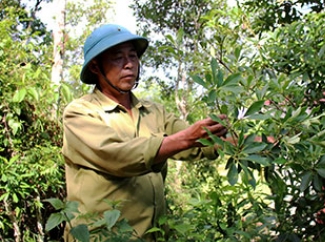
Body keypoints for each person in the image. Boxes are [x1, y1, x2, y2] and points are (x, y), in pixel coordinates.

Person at [62, 24, 228, 241]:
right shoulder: (80, 113)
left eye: (133, 56)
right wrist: (187, 138)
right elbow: (119, 156)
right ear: (95, 67)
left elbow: (195, 142)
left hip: (153, 236)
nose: (129, 64)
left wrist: (247, 143)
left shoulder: (154, 111)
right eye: (117, 57)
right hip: (103, 237)